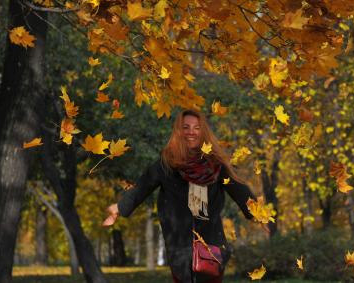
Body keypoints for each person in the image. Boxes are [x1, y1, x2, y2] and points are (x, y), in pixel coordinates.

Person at [103, 109, 256, 283]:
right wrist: (119, 208)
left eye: (196, 127)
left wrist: (257, 213)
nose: (191, 131)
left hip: (210, 243)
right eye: (186, 127)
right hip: (179, 245)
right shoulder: (167, 163)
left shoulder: (215, 164)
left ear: (203, 131)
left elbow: (238, 188)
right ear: (179, 131)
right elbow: (143, 186)